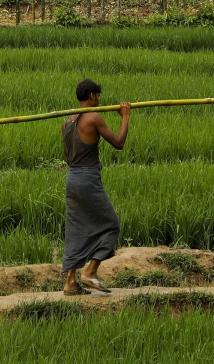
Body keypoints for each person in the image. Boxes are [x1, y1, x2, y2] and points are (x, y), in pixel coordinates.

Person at [61, 79, 128, 297]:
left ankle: (70, 282)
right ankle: (90, 271)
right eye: (98, 96)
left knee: (75, 229)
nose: (99, 100)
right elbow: (118, 143)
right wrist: (125, 117)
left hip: (72, 179)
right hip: (88, 178)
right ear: (91, 96)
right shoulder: (94, 118)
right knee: (111, 225)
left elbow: (67, 156)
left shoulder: (67, 121)